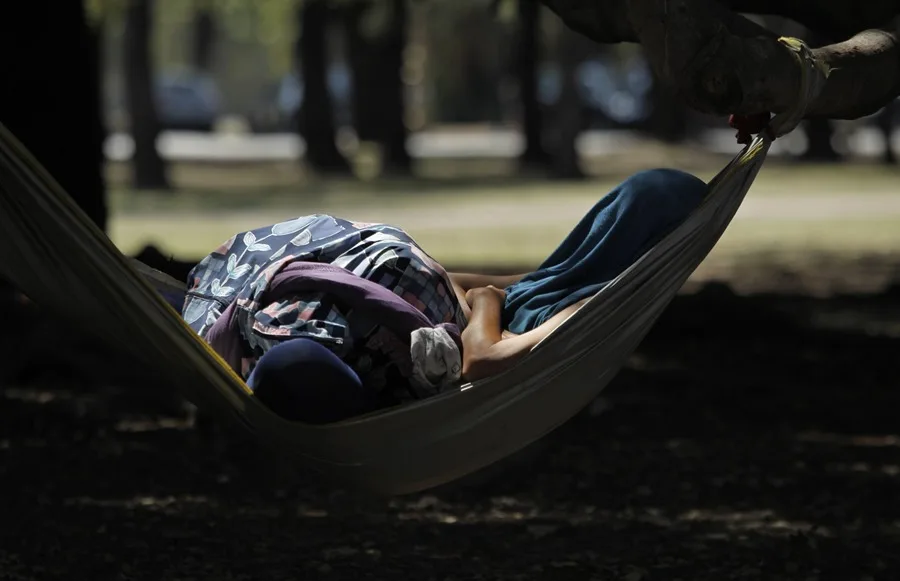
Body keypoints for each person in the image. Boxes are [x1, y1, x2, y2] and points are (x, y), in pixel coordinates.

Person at [182, 168, 708, 423]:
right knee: (288, 361)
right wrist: (483, 299)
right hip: (325, 320)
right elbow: (463, 291)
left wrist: (486, 302)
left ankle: (258, 365)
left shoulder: (588, 308)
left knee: (291, 364)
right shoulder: (559, 285)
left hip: (337, 356)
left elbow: (481, 359)